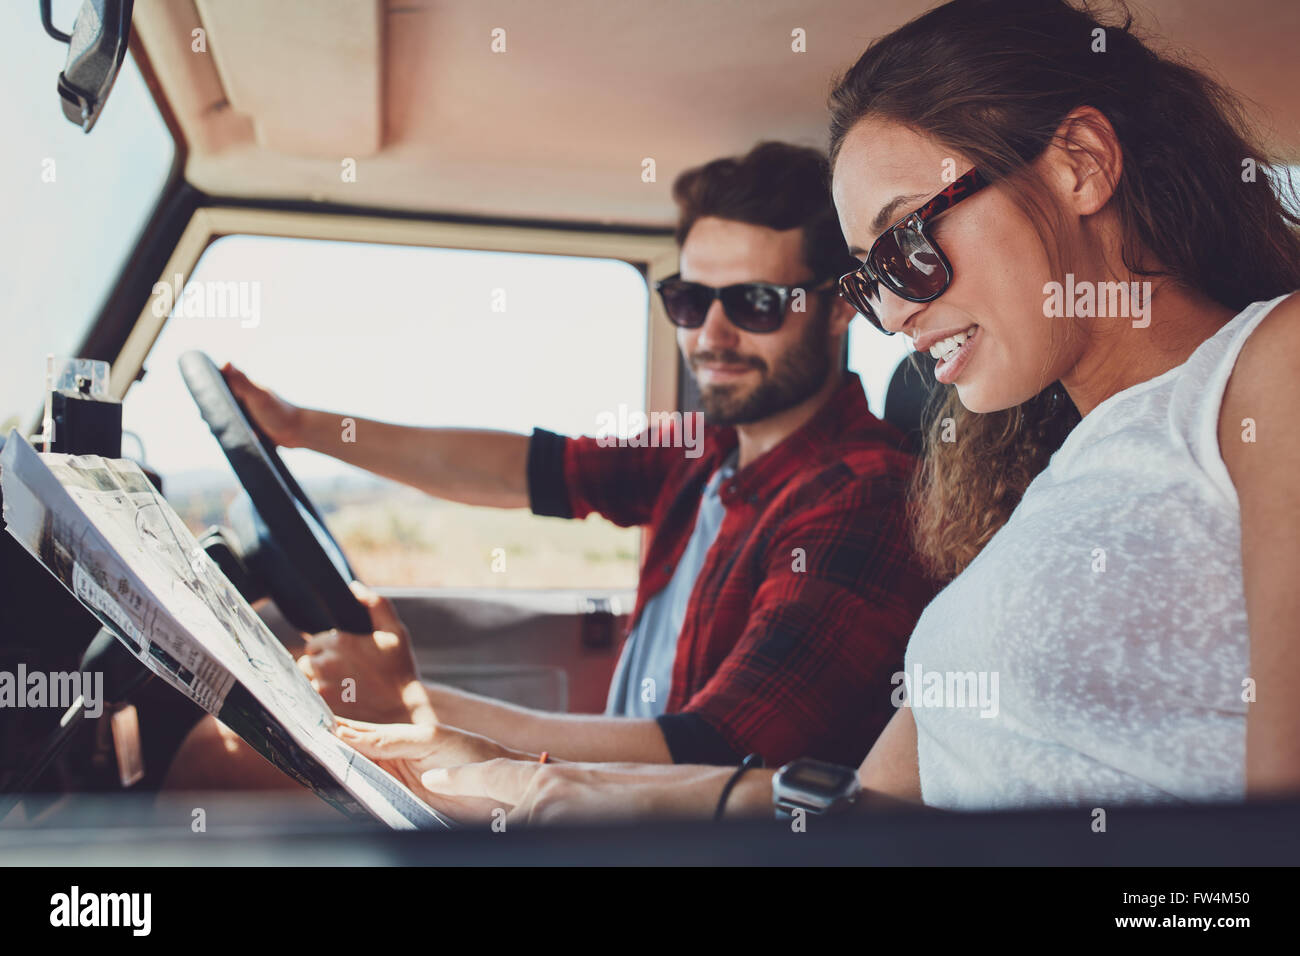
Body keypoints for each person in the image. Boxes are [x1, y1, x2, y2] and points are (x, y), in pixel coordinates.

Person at [344, 0, 1300, 825]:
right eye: (868, 275)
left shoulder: (1268, 369)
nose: (890, 313)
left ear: (1081, 164)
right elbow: (861, 807)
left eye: (908, 244)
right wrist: (534, 789)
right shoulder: (1048, 483)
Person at [166, 141, 936, 789]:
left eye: (756, 304)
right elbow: (519, 468)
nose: (712, 334)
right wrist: (304, 428)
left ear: (840, 306)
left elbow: (713, 750)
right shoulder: (704, 453)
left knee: (222, 768)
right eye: (689, 302)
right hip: (593, 797)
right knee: (225, 752)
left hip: (667, 827)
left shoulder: (864, 494)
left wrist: (407, 701)